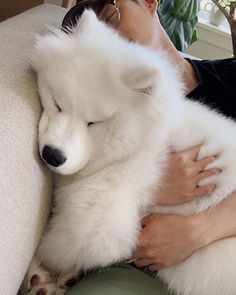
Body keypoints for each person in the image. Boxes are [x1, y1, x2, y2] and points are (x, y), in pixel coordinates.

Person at [60, 0, 236, 294]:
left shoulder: (230, 78)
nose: (107, 35)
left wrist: (199, 230)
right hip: (140, 265)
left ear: (148, 3)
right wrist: (148, 187)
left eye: (112, 15)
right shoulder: (100, 112)